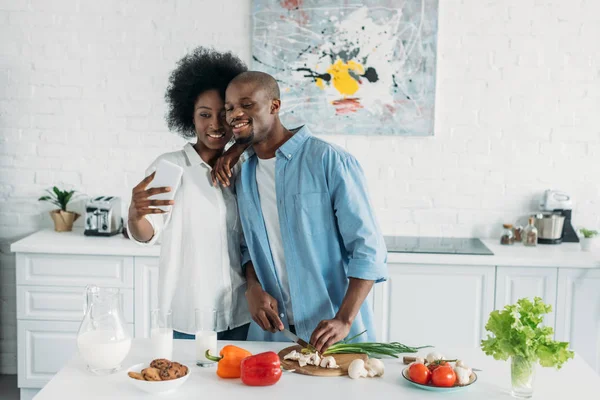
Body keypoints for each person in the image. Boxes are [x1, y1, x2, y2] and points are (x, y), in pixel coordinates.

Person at [218, 71, 388, 352]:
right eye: (229, 108)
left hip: (335, 335)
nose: (235, 114)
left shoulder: (328, 160)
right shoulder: (244, 174)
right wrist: (253, 287)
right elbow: (250, 247)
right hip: (274, 337)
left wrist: (344, 319)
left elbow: (368, 249)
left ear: (274, 106)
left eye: (247, 105)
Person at [127, 47, 252, 341]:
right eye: (204, 114)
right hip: (189, 315)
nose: (216, 124)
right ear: (189, 117)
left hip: (240, 311)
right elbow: (146, 233)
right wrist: (135, 214)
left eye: (224, 114)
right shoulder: (170, 167)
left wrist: (239, 148)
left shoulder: (245, 169)